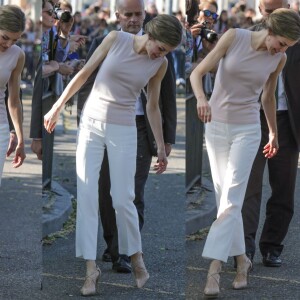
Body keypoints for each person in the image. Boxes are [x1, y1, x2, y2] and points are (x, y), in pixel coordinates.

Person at [44, 14, 182, 296]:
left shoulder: (161, 64)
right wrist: (57, 106)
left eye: (166, 51)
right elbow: (84, 75)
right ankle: (90, 270)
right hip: (91, 125)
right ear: (151, 34)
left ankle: (136, 256)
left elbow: (153, 107)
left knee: (123, 198)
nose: (160, 53)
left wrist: (160, 146)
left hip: (124, 129)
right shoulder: (116, 39)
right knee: (87, 195)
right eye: (161, 46)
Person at [190, 8, 300, 298]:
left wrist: (273, 132)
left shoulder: (280, 58)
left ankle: (213, 270)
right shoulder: (234, 37)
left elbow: (267, 96)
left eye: (288, 46)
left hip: (248, 130)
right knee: (225, 198)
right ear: (272, 29)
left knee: (232, 198)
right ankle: (242, 261)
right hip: (215, 127)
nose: (282, 49)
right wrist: (202, 98)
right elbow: (198, 73)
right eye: (283, 42)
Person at [77, 0, 177, 273]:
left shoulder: (162, 49)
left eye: (139, 14)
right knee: (104, 189)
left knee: (132, 192)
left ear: (146, 16)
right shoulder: (106, 40)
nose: (134, 19)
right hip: (99, 123)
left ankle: (126, 252)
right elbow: (87, 81)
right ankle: (113, 246)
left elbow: (163, 98)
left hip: (139, 126)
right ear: (118, 15)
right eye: (129, 14)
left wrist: (165, 140)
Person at [242, 0, 300, 268]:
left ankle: (272, 246)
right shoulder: (248, 36)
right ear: (259, 9)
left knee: (284, 189)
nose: (274, 16)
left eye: (279, 10)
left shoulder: (296, 36)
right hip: (252, 118)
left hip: (287, 122)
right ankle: (244, 249)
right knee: (249, 187)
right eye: (268, 11)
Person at [0, 5, 26, 186]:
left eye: (14, 40)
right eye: (4, 37)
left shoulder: (18, 55)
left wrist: (20, 138)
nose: (8, 44)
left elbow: (14, 100)